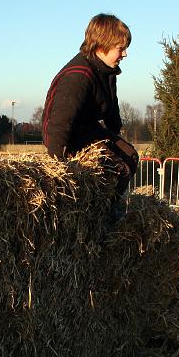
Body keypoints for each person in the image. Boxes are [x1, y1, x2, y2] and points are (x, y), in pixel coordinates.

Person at [42, 13, 139, 222]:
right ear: (102, 45)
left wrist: (116, 136)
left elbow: (111, 106)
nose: (125, 54)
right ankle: (91, 218)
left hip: (88, 128)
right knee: (114, 166)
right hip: (67, 134)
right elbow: (59, 124)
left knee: (130, 156)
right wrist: (58, 169)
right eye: (120, 48)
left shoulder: (106, 70)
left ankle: (106, 210)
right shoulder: (78, 76)